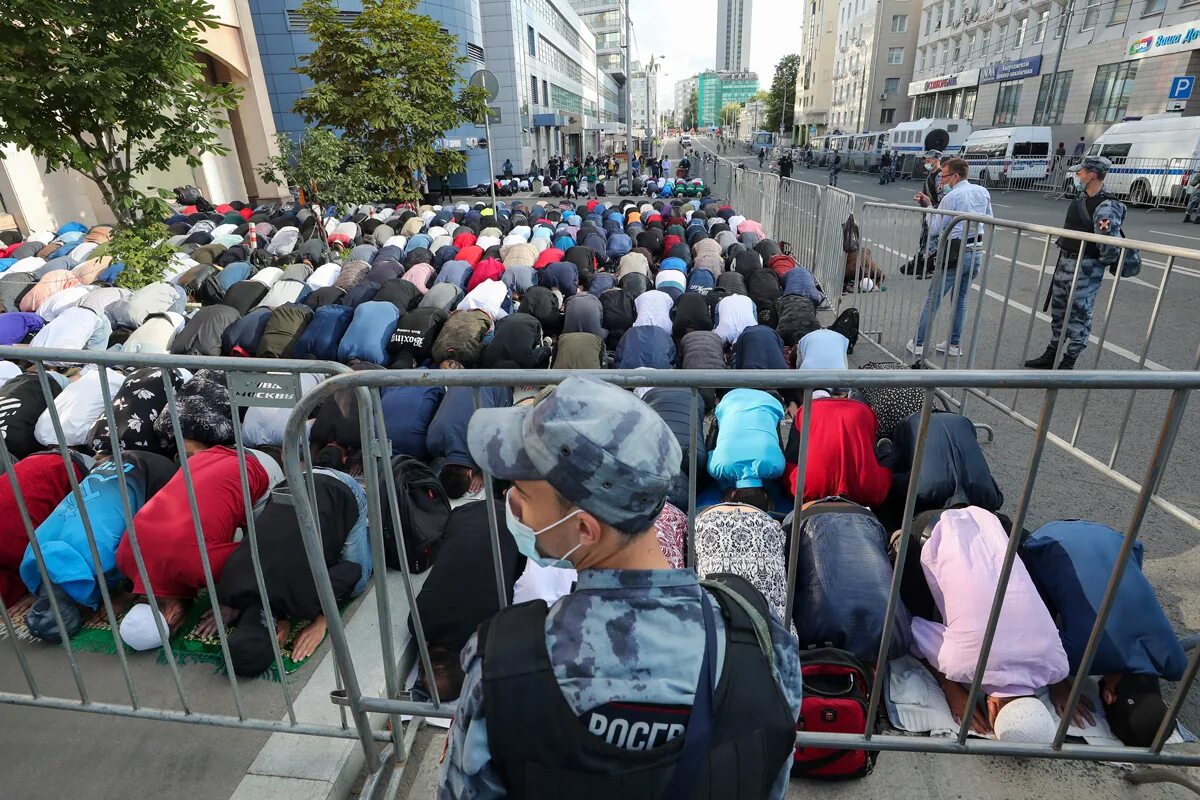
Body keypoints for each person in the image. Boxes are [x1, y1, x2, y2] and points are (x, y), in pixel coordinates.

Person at [439, 376, 802, 798]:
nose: (511, 502)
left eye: (520, 491)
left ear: (584, 529)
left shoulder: (502, 662)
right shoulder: (759, 637)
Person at [1022, 520, 1188, 745]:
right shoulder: (1080, 656)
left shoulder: (1176, 664)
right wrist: (1058, 684)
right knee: (1033, 601)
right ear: (1108, 697)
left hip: (1117, 541)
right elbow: (1034, 640)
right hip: (1045, 542)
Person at [907, 506, 1069, 738]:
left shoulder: (1058, 666)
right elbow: (913, 628)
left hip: (993, 523)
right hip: (933, 526)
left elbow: (1056, 668)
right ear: (991, 706)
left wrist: (1060, 685)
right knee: (909, 606)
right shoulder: (962, 664)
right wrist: (950, 687)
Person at [199, 469, 371, 676]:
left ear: (280, 637)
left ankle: (368, 520)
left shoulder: (306, 601)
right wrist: (230, 602)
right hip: (294, 480)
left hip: (342, 489)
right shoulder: (227, 588)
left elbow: (353, 571)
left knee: (359, 584)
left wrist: (322, 621)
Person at [1024, 156, 1129, 370]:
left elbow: (1109, 247)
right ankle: (1052, 354)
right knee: (1059, 311)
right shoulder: (1080, 198)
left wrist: (1093, 265)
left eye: (1080, 172)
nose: (1077, 176)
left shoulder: (1107, 205)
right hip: (1066, 261)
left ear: (1091, 175)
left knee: (1080, 312)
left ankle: (1069, 360)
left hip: (1086, 266)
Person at [907, 157, 992, 359]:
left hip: (954, 252)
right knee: (960, 299)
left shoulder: (951, 197)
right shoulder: (982, 191)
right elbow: (989, 219)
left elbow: (936, 229)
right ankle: (954, 344)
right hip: (976, 251)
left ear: (955, 176)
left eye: (943, 177)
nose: (941, 182)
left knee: (933, 300)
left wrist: (928, 207)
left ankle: (919, 343)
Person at [903, 150, 943, 278]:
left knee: (931, 240)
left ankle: (928, 268)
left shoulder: (939, 175)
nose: (925, 162)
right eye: (925, 160)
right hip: (928, 210)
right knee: (926, 239)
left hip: (934, 211)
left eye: (928, 160)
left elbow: (941, 197)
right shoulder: (932, 173)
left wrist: (931, 206)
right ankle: (923, 266)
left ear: (936, 160)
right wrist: (922, 200)